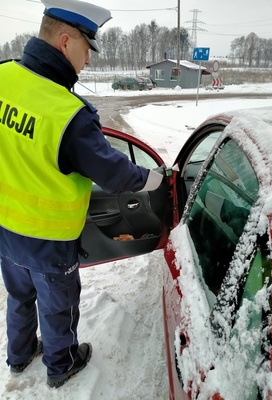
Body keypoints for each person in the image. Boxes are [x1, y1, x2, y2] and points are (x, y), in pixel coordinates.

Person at [0, 0, 164, 389]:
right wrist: (153, 179)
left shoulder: (4, 77)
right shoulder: (69, 114)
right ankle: (61, 364)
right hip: (50, 238)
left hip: (6, 226)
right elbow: (113, 172)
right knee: (58, 307)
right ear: (64, 42)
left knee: (19, 296)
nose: (88, 61)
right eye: (87, 49)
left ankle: (20, 355)